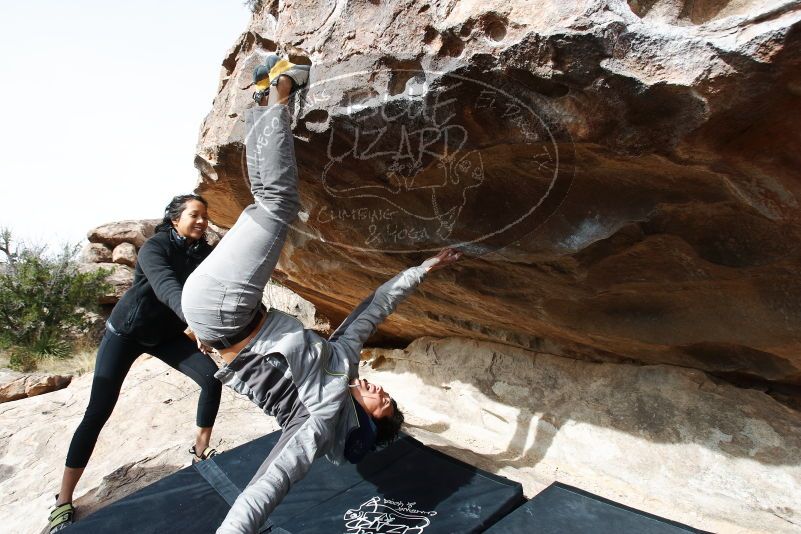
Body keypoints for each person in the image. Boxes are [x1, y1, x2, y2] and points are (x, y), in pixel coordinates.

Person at [180, 55, 462, 534]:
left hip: (225, 313)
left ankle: (286, 81)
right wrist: (424, 267)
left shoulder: (319, 420)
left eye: (383, 403)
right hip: (228, 308)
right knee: (266, 201)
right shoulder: (341, 362)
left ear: (369, 424)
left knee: (278, 201)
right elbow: (376, 307)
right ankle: (263, 95)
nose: (379, 390)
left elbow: (270, 483)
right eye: (387, 394)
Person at [48, 195, 223, 533]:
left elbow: (219, 284)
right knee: (97, 412)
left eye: (205, 215)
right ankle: (63, 501)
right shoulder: (154, 249)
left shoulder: (203, 253)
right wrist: (195, 324)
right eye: (194, 215)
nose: (202, 221)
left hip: (165, 335)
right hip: (126, 333)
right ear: (174, 219)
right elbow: (168, 288)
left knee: (212, 379)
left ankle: (200, 456)